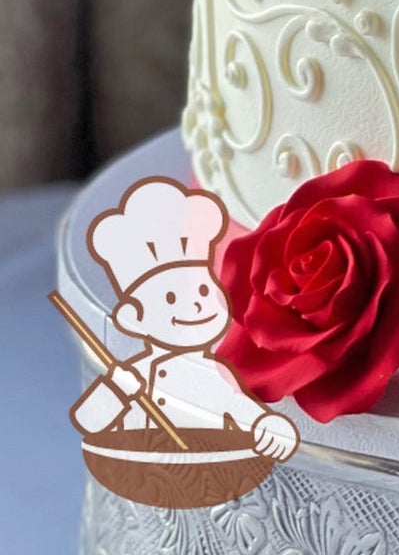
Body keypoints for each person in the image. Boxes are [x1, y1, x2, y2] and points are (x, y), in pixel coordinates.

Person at [69, 176, 297, 462]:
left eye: (204, 291)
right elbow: (90, 419)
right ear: (133, 317)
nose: (198, 305)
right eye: (169, 299)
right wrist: (116, 386)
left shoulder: (215, 378)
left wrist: (267, 426)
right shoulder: (134, 374)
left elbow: (249, 415)